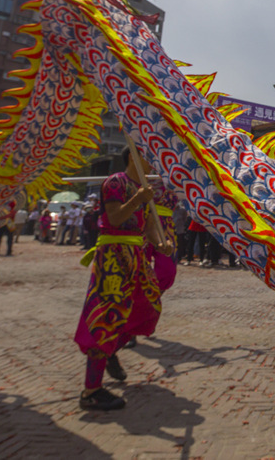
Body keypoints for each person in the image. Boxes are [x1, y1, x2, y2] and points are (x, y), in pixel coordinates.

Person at [74, 147, 171, 411]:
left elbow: (149, 225)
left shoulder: (144, 188)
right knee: (106, 315)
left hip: (136, 255)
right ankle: (91, 391)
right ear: (133, 156)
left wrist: (162, 243)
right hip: (113, 255)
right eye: (147, 156)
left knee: (148, 306)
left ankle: (111, 349)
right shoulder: (115, 182)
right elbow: (114, 216)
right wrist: (137, 200)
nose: (152, 162)